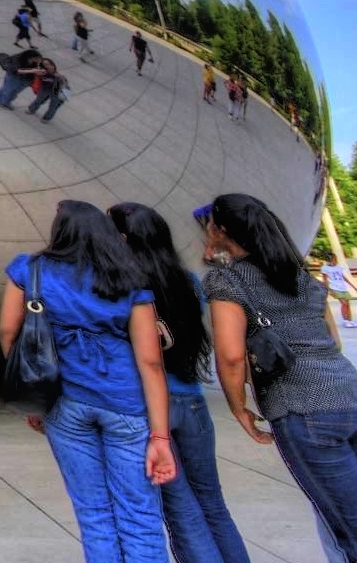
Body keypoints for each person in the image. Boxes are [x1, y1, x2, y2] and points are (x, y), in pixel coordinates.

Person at [0, 202, 174, 561]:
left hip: (64, 401)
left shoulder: (30, 270)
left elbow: (7, 330)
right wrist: (160, 435)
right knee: (140, 514)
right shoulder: (130, 278)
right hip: (126, 402)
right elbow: (151, 360)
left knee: (93, 513)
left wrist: (35, 394)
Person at [201, 193, 357, 559]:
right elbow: (331, 339)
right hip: (348, 390)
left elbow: (231, 354)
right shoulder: (303, 278)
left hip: (303, 408)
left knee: (347, 523)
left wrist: (239, 408)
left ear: (221, 230)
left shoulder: (227, 281)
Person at [108, 202, 251, 563]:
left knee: (181, 510)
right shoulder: (186, 281)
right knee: (213, 504)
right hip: (192, 401)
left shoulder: (122, 287)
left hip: (153, 405)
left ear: (122, 238)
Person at [24, 59, 69, 124]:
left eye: (49, 64)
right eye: (45, 65)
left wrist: (61, 79)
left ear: (53, 65)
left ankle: (47, 117)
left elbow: (65, 85)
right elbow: (36, 74)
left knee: (53, 106)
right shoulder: (43, 72)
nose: (48, 66)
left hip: (57, 90)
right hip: (45, 89)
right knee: (38, 100)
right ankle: (32, 109)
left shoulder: (59, 75)